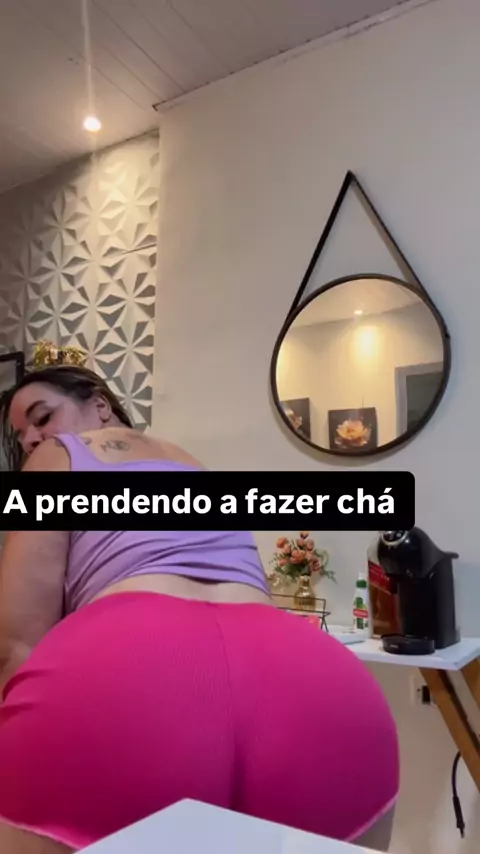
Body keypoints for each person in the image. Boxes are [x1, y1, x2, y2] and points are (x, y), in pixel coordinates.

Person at [0, 365, 399, 854]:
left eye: (42, 417)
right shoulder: (194, 465)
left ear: (100, 404)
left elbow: (17, 644)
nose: (31, 439)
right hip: (313, 681)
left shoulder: (57, 457)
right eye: (21, 435)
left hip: (124, 676)